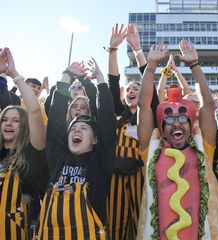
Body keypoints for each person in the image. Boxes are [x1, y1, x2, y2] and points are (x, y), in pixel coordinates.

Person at [137, 40, 218, 239]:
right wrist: (150, 66)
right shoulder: (151, 149)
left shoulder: (204, 147)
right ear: (161, 128)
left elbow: (208, 105)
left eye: (182, 118)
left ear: (192, 124)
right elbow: (144, 105)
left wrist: (194, 65)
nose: (176, 123)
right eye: (169, 119)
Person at [33, 59, 116, 240]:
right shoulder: (57, 158)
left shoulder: (100, 161)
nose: (77, 129)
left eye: (84, 128)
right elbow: (55, 114)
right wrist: (67, 76)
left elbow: (107, 118)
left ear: (95, 139)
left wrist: (100, 79)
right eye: (73, 128)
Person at [106, 23, 160, 240]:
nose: (132, 91)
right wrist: (113, 51)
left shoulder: (151, 115)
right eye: (128, 90)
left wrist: (138, 50)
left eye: (136, 89)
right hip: (116, 176)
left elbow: (148, 84)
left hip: (142, 174)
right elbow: (113, 82)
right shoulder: (118, 113)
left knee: (142, 222)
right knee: (116, 226)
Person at [0, 47, 47, 239]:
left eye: (16, 120)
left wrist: (14, 75)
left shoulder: (32, 150)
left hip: (12, 230)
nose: (9, 123)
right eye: (5, 119)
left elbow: (34, 110)